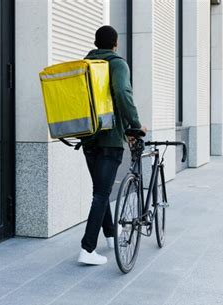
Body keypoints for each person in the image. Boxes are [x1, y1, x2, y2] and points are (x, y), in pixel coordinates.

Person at [78, 26, 147, 265]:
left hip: (88, 138)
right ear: (115, 44)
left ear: (96, 43)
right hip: (110, 139)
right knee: (101, 192)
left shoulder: (85, 64)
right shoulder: (118, 64)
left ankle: (110, 234)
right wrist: (135, 125)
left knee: (101, 190)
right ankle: (87, 249)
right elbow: (123, 93)